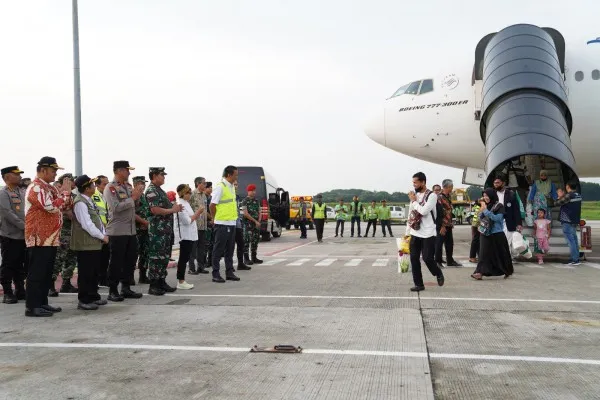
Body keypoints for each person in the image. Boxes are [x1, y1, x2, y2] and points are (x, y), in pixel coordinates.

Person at [24, 156, 72, 317]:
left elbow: (65, 205)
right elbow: (50, 206)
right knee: (36, 273)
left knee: (45, 272)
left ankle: (42, 303)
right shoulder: (36, 187)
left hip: (50, 238)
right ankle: (32, 306)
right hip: (39, 237)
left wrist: (66, 194)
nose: (54, 174)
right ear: (43, 170)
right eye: (53, 171)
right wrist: (64, 193)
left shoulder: (50, 189)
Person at [104, 160, 144, 302]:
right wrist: (133, 198)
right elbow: (116, 207)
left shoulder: (127, 186)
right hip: (118, 231)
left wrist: (137, 198)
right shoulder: (111, 188)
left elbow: (133, 206)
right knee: (116, 262)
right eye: (127, 170)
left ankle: (126, 288)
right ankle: (113, 290)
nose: (129, 173)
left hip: (131, 230)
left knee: (130, 260)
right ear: (119, 171)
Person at [71, 175, 109, 310]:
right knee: (86, 272)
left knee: (93, 271)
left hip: (93, 242)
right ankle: (84, 299)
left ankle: (93, 296)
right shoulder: (80, 202)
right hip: (85, 243)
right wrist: (102, 236)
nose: (94, 187)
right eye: (92, 185)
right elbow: (87, 224)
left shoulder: (88, 200)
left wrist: (103, 234)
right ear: (87, 188)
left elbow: (97, 219)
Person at [405, 172, 444, 292]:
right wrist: (407, 232)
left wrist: (414, 201)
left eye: (416, 182)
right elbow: (411, 215)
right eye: (413, 183)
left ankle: (438, 272)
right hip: (415, 232)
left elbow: (424, 211)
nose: (414, 185)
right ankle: (419, 284)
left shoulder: (432, 196)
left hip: (428, 233)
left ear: (423, 182)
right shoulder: (415, 196)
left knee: (427, 258)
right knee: (414, 259)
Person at [145, 167, 181, 295]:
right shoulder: (151, 191)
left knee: (164, 257)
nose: (164, 177)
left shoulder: (160, 191)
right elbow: (155, 210)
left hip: (165, 231)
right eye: (162, 175)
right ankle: (153, 285)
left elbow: (166, 207)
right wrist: (172, 210)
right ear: (154, 176)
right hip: (157, 232)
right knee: (156, 257)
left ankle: (161, 281)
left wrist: (174, 207)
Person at [471, 188, 513, 280]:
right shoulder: (485, 205)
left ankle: (507, 270)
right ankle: (479, 273)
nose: (485, 197)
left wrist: (485, 211)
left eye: (487, 195)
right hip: (485, 233)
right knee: (483, 254)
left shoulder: (499, 206)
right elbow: (480, 218)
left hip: (497, 234)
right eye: (484, 195)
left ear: (492, 195)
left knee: (501, 255)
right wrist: (481, 212)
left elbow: (497, 219)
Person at [209, 166, 241, 283]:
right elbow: (212, 205)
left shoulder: (232, 187)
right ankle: (216, 273)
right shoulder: (220, 187)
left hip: (231, 222)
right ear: (229, 175)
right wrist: (214, 218)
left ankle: (229, 272)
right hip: (222, 223)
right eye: (235, 175)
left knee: (230, 249)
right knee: (218, 250)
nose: (237, 177)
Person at [0, 166, 27, 304]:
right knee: (8, 265)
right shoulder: (3, 193)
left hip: (22, 235)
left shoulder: (21, 192)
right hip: (10, 235)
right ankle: (7, 292)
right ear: (6, 177)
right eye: (16, 174)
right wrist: (25, 226)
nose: (19, 176)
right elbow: (8, 213)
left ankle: (20, 290)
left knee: (20, 265)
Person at [53, 173, 78, 295]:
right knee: (59, 258)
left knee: (71, 258)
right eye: (71, 180)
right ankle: (50, 284)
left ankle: (66, 283)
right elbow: (66, 212)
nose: (73, 183)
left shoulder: (74, 196)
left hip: (73, 231)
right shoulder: (59, 194)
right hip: (63, 232)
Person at [175, 184, 200, 290]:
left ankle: (182, 280)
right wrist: (198, 213)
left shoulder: (187, 203)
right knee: (183, 259)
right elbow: (187, 221)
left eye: (190, 192)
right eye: (187, 193)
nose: (190, 194)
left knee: (185, 258)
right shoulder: (181, 204)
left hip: (190, 235)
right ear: (182, 193)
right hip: (185, 236)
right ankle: (181, 281)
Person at [435, 179, 461, 268]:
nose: (452, 188)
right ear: (446, 187)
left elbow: (448, 210)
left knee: (450, 243)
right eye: (451, 186)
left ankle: (450, 260)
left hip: (448, 224)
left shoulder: (448, 196)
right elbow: (439, 213)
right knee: (439, 243)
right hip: (442, 225)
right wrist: (442, 225)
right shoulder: (439, 197)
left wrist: (450, 222)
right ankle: (437, 261)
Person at [493, 174, 523, 251]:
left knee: (506, 243)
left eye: (498, 183)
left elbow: (516, 210)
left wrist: (519, 223)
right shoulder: (492, 194)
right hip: (495, 222)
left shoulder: (511, 194)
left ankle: (507, 260)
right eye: (495, 183)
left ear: (503, 183)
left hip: (507, 222)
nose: (496, 184)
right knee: (497, 243)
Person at [555, 183, 582, 266]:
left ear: (567, 187)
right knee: (574, 240)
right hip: (575, 220)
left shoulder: (569, 196)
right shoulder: (578, 195)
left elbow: (557, 203)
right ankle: (576, 258)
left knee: (571, 241)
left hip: (567, 220)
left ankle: (574, 259)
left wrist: (559, 196)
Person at [92, 175, 110, 287]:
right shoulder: (94, 195)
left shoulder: (107, 195)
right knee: (97, 256)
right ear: (97, 185)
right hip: (98, 230)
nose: (106, 186)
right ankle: (98, 278)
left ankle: (103, 278)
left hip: (108, 230)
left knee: (105, 256)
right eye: (104, 184)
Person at [188, 177, 208, 274]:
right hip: (194, 225)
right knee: (193, 248)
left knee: (201, 248)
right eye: (204, 183)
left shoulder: (204, 195)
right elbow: (187, 208)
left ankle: (201, 266)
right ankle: (191, 268)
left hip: (203, 225)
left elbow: (205, 210)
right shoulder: (192, 194)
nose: (205, 185)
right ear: (198, 183)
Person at [132, 176, 150, 283]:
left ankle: (143, 275)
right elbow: (131, 213)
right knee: (133, 254)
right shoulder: (132, 196)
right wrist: (143, 222)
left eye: (144, 183)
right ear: (135, 184)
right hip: (135, 229)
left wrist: (147, 223)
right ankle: (129, 277)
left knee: (145, 253)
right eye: (141, 183)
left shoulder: (144, 196)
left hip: (145, 229)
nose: (143, 185)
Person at [241, 184, 262, 264]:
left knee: (255, 241)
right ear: (248, 191)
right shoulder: (244, 201)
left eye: (254, 191)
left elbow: (260, 211)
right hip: (248, 224)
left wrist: (259, 221)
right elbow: (245, 214)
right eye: (252, 191)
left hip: (256, 224)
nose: (254, 192)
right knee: (246, 241)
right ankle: (246, 259)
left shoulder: (257, 201)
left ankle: (254, 257)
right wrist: (255, 221)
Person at [233, 182, 251, 271]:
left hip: (238, 223)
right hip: (228, 223)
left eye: (237, 185)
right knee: (229, 245)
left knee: (241, 243)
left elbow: (241, 210)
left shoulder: (238, 197)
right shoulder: (227, 195)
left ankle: (240, 264)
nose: (236, 186)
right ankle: (229, 266)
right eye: (234, 184)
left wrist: (240, 220)